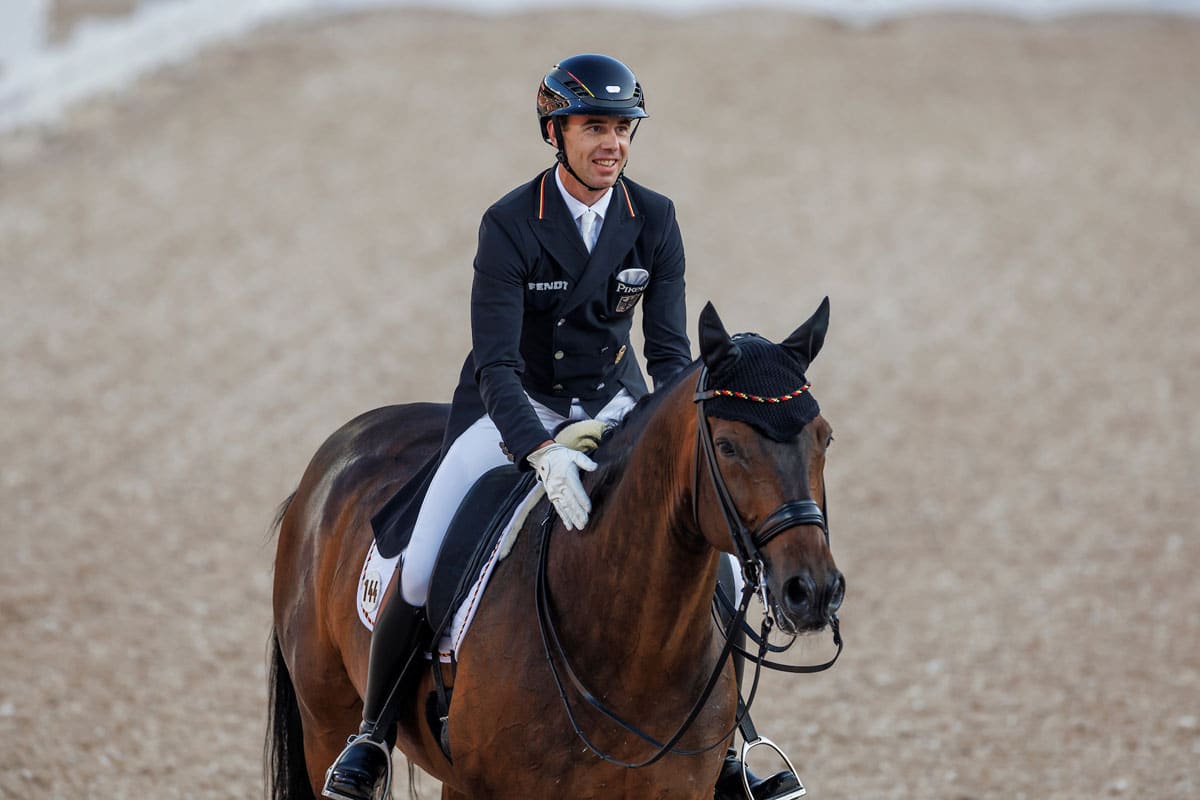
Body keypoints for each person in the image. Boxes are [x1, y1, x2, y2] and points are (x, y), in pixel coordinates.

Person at [322, 54, 803, 800]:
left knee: (728, 565)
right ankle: (374, 734)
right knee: (421, 561)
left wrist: (667, 431)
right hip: (516, 405)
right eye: (593, 127)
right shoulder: (512, 223)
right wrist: (540, 452)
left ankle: (733, 746)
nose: (611, 142)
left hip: (614, 404)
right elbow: (496, 364)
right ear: (557, 132)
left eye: (622, 128)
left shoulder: (655, 218)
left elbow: (671, 354)